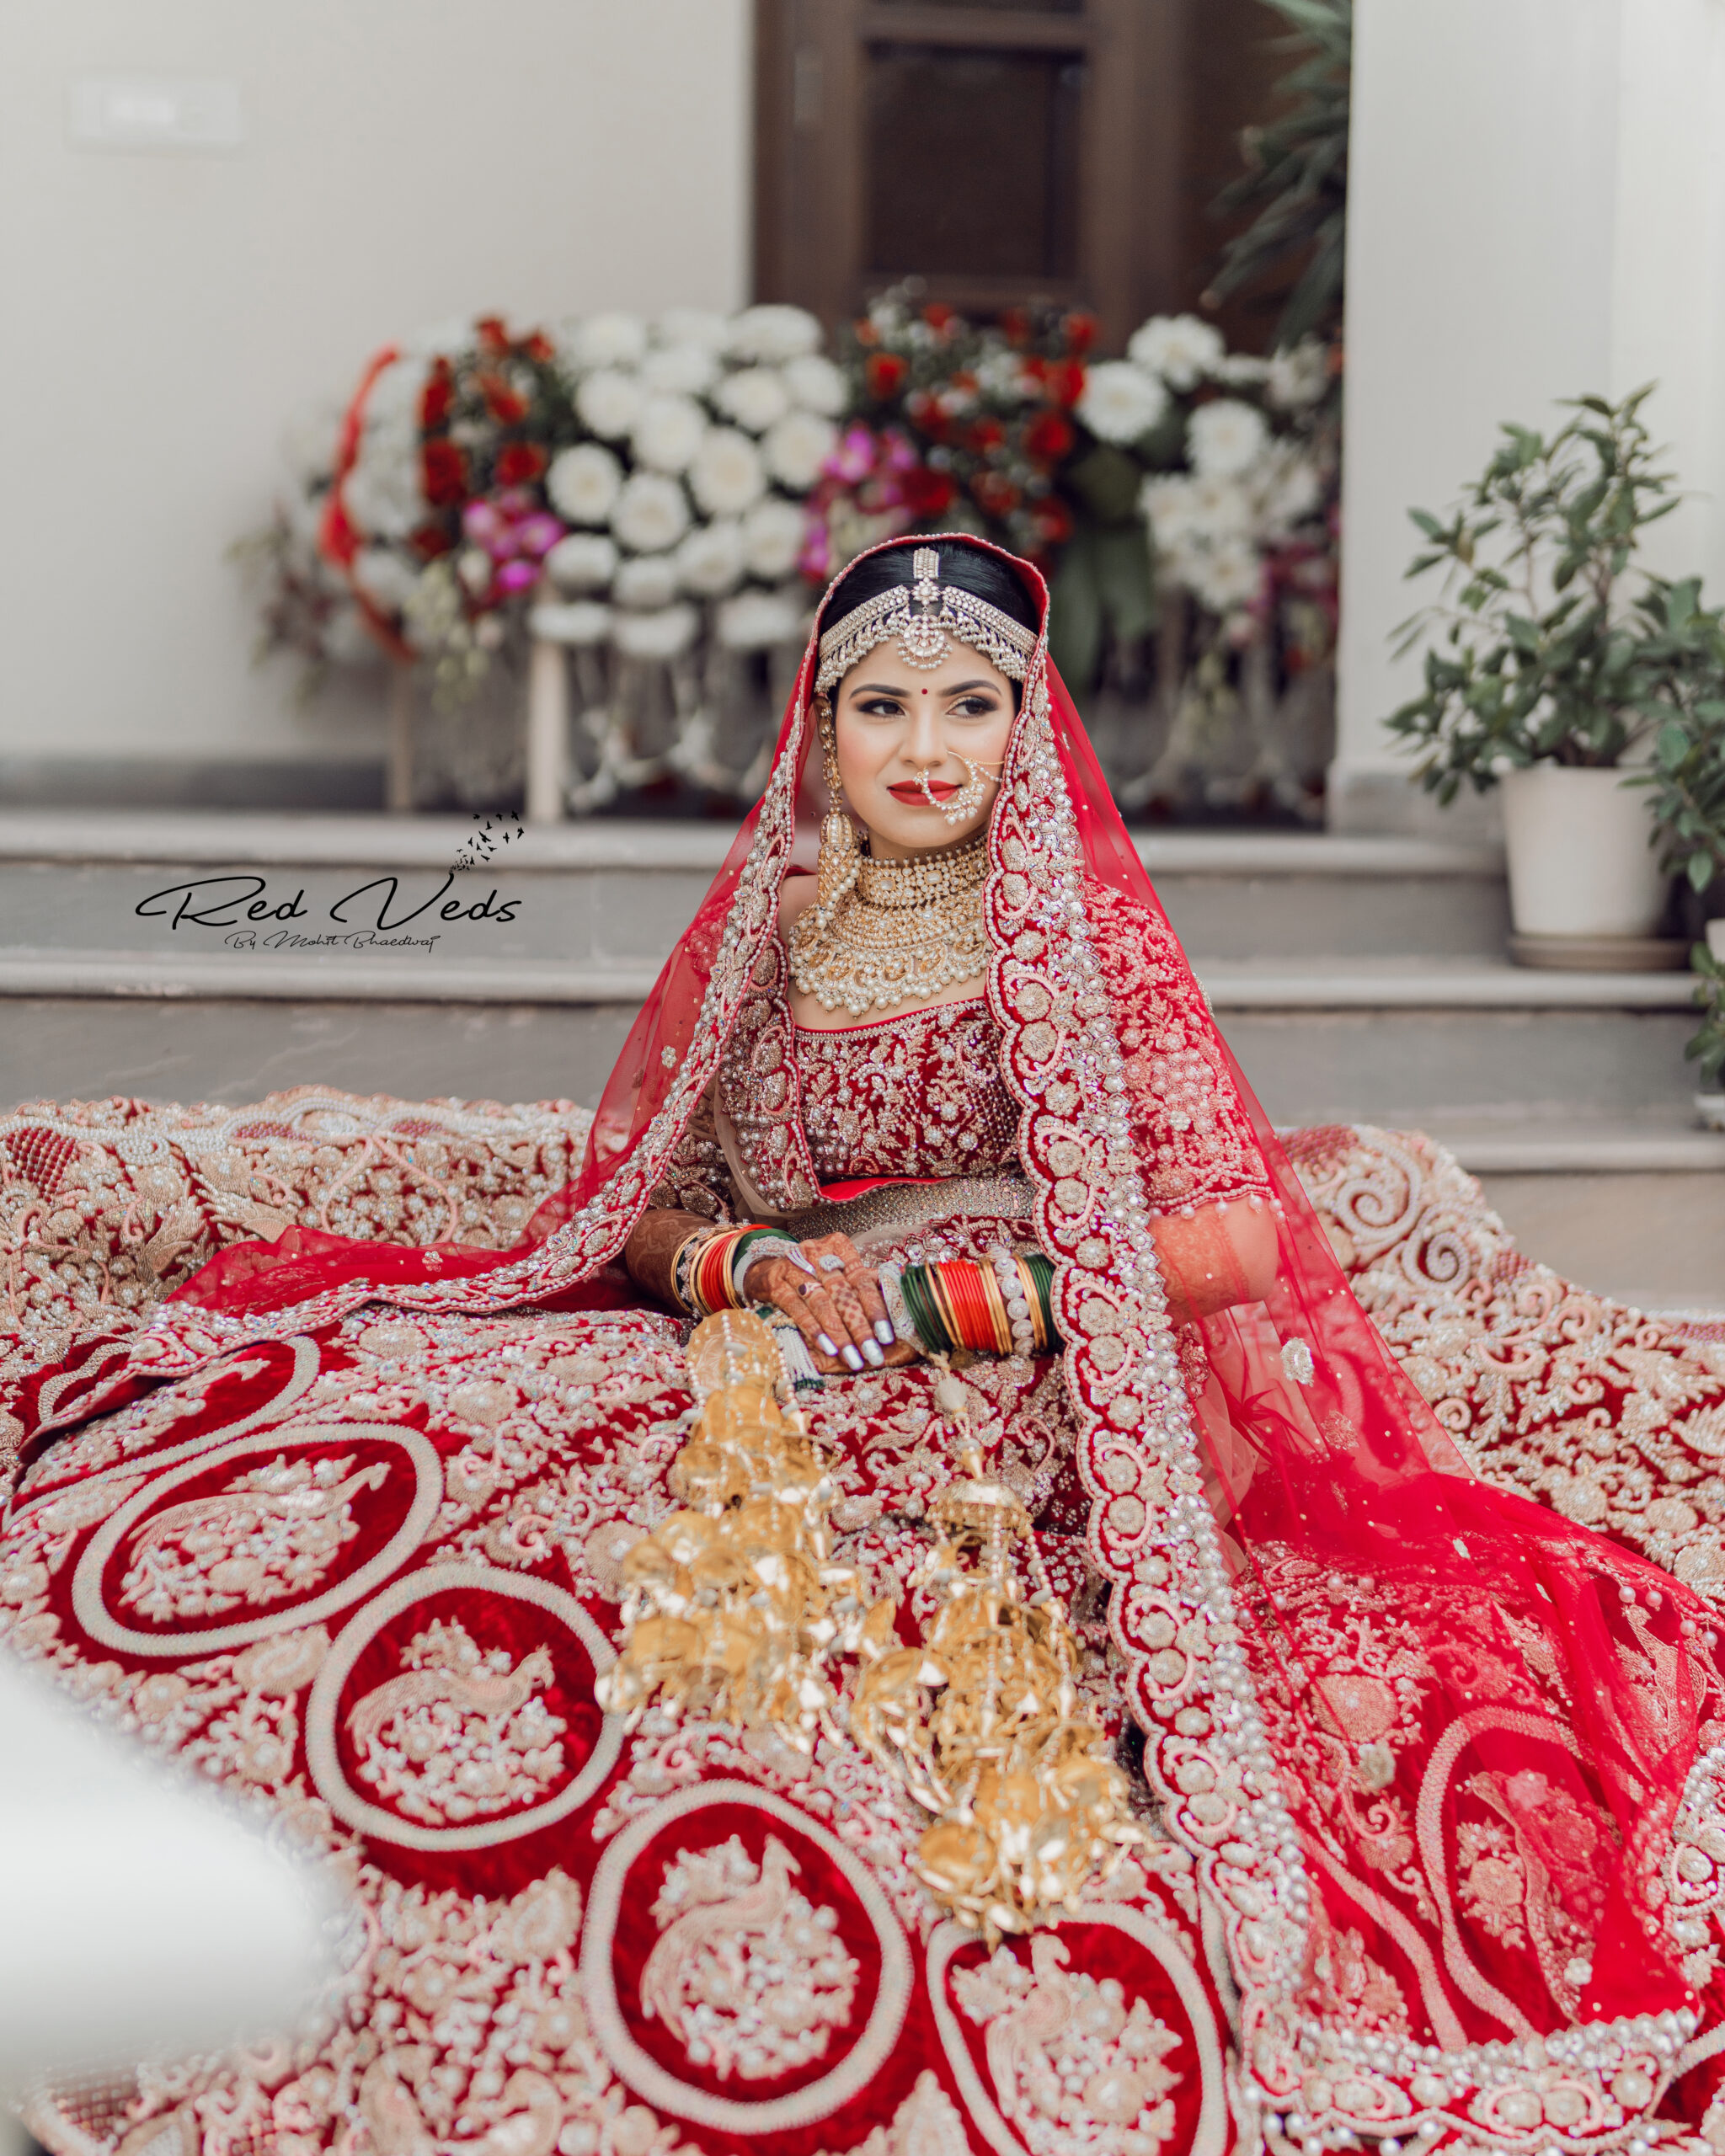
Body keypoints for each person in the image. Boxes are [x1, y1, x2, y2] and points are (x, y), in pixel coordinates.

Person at [5, 535, 1725, 2156]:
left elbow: (1233, 1235)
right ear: (820, 730)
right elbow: (652, 1210)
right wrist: (745, 1259)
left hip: (1007, 1372)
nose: (926, 744)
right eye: (882, 703)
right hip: (775, 1336)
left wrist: (953, 1301)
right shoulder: (770, 931)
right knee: (472, 1423)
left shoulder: (1074, 947)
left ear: (1023, 722)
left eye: (969, 701)